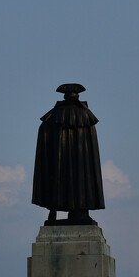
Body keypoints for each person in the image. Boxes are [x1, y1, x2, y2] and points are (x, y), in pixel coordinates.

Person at [31, 83, 105, 224]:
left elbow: (44, 144)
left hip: (58, 165)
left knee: (58, 181)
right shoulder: (86, 116)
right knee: (80, 179)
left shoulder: (52, 117)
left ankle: (55, 212)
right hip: (81, 166)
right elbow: (91, 151)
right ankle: (80, 210)